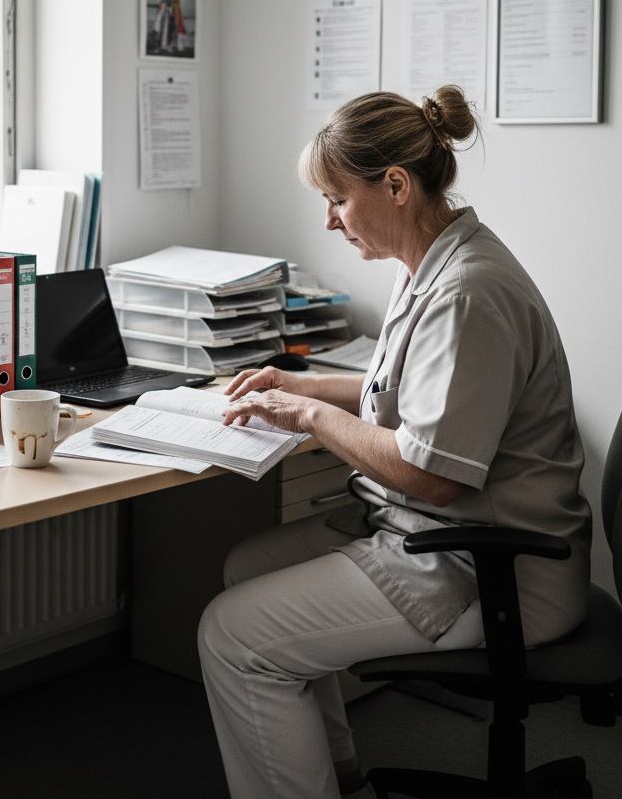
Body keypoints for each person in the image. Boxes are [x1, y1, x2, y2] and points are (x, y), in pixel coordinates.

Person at [198, 86, 592, 799]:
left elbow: (434, 473)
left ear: (397, 186)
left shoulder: (467, 294)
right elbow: (416, 399)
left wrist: (312, 420)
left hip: (491, 568)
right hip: (444, 534)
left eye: (338, 200)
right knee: (246, 570)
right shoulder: (437, 262)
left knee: (233, 636)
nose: (330, 222)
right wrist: (307, 387)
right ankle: (339, 775)